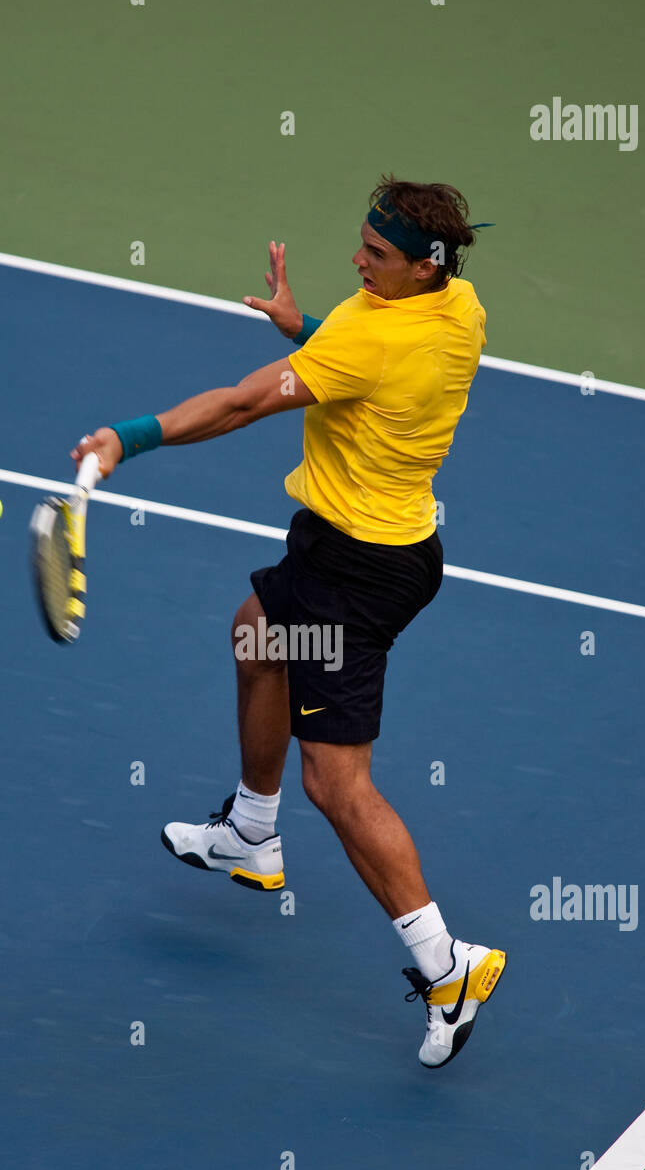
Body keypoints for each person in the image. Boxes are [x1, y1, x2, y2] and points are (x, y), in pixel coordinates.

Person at [71, 175, 506, 1069]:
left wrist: (127, 436)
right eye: (361, 244)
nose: (357, 260)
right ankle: (251, 833)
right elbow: (365, 369)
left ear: (422, 267)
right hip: (366, 550)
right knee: (256, 636)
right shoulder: (461, 308)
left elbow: (238, 404)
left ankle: (446, 967)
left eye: (375, 255)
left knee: (339, 788)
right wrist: (309, 333)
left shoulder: (367, 336)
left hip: (357, 578)